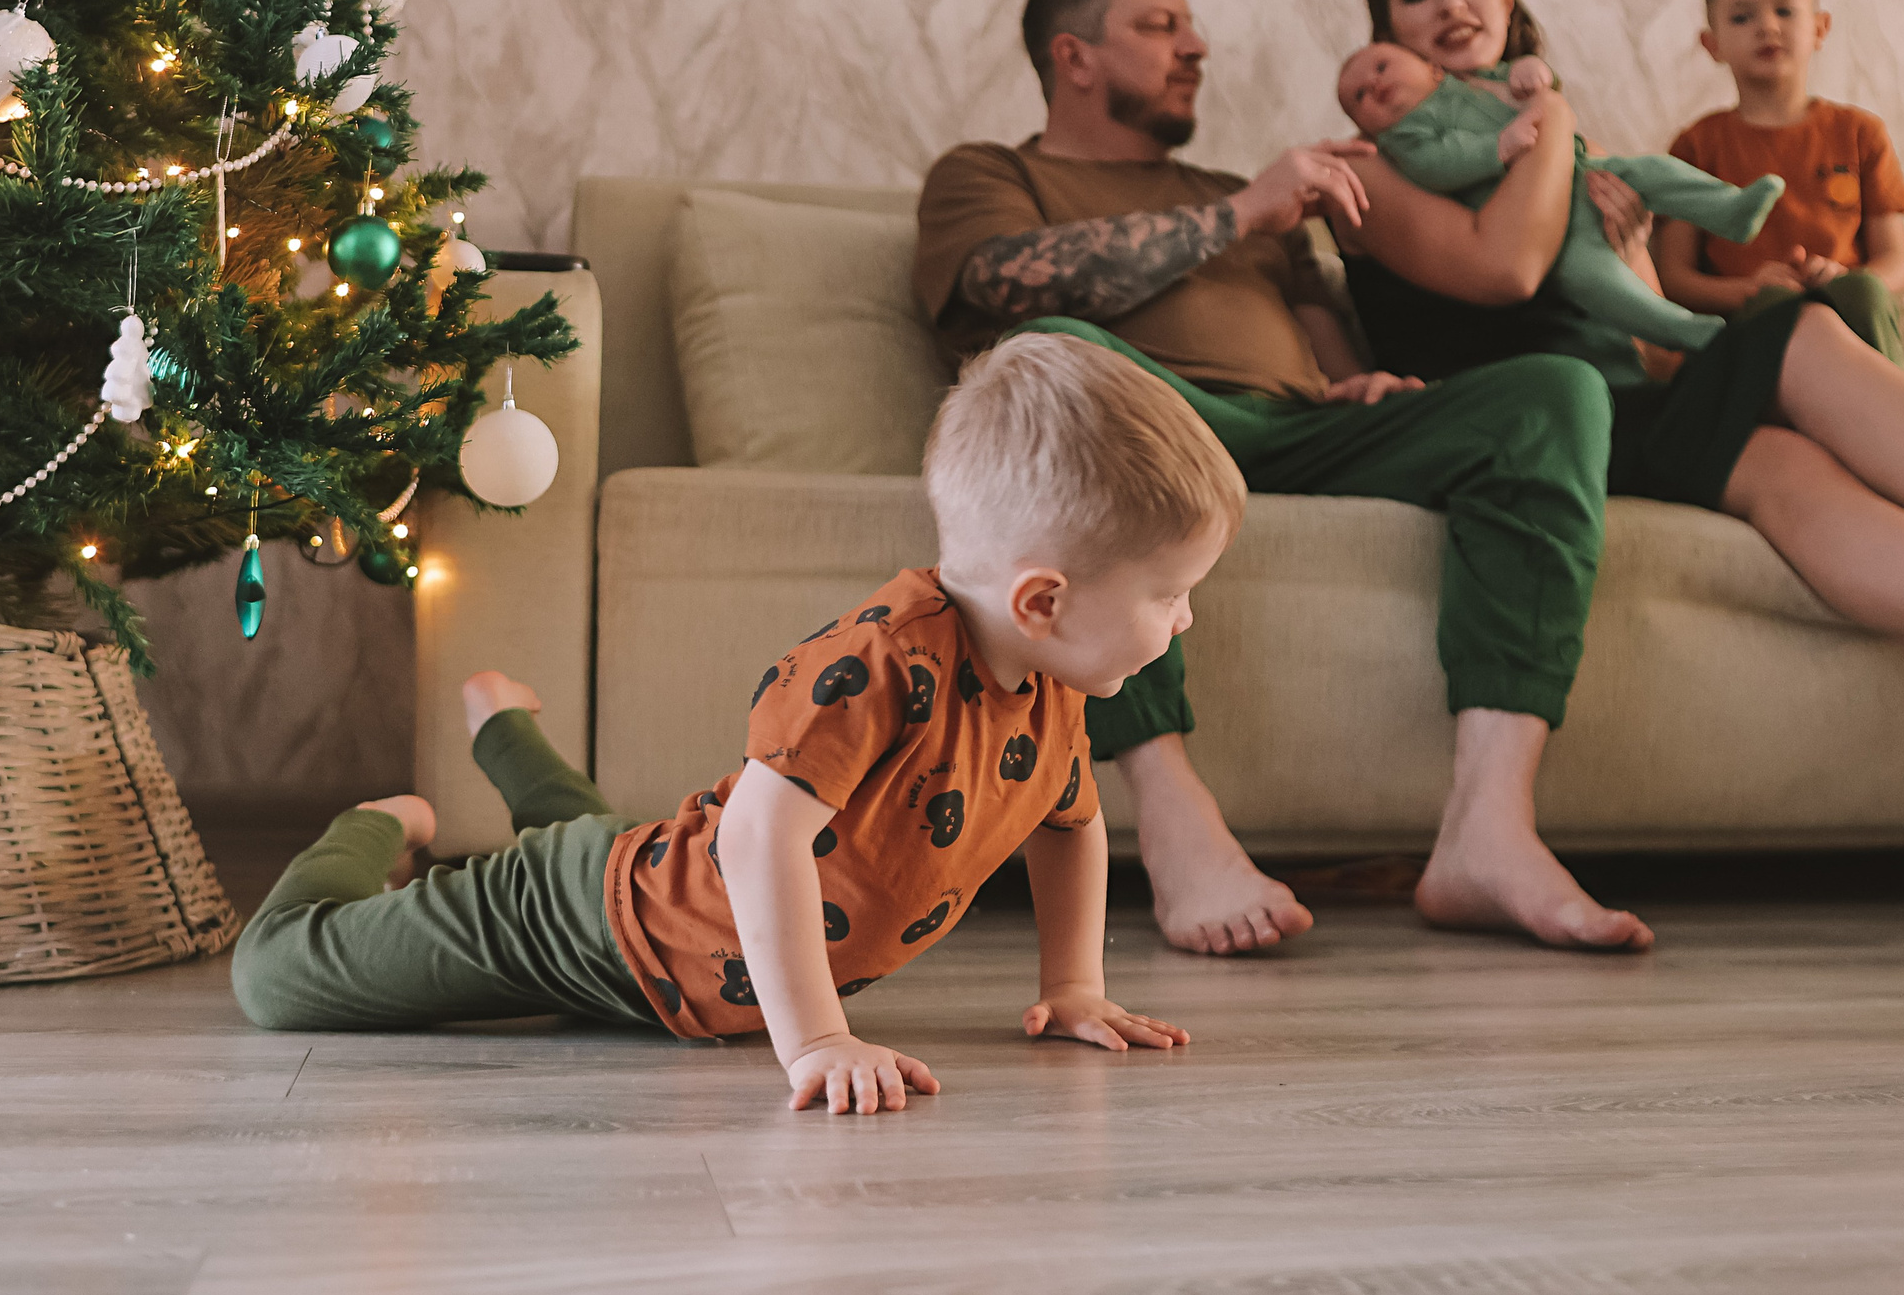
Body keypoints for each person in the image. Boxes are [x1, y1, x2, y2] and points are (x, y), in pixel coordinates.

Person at [233, 334, 1209, 1116]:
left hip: (664, 893)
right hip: (592, 932)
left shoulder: (1050, 685)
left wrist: (1073, 984)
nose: (1184, 620)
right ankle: (381, 818)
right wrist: (817, 1041)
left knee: (614, 841)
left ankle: (505, 728)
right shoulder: (874, 667)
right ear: (1041, 600)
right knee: (276, 980)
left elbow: (1070, 823)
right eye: (1168, 594)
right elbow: (752, 838)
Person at [915, 0, 1657, 958]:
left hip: (1296, 431)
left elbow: (1327, 345)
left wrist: (1358, 383)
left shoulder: (1243, 189)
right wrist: (1239, 214)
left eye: (1189, 26)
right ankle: (1174, 818)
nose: (1196, 46)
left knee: (1551, 392)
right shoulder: (989, 174)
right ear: (1073, 56)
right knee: (1054, 352)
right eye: (1159, 26)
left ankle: (1488, 830)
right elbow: (1005, 285)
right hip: (1139, 432)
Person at [1337, 0, 1904, 742]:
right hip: (1527, 425)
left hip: (1630, 406)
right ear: (1387, 33)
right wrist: (1551, 118)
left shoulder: (1551, 142)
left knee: (1789, 428)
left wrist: (1630, 246)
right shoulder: (1368, 167)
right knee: (1792, 350)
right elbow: (1507, 269)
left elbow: (1656, 353)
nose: (1449, 3)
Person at [1338, 39, 1781, 350]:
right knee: (1601, 284)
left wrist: (1534, 71)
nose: (1373, 85)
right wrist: (1497, 148)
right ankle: (1688, 330)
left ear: (1431, 67)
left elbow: (1527, 85)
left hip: (1588, 175)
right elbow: (1438, 163)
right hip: (1553, 236)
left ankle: (1729, 209)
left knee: (1653, 171)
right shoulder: (1403, 139)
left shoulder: (1475, 81)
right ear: (1367, 129)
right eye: (1358, 96)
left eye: (1381, 67)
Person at [1655, 0, 1904, 363]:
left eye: (1785, 11)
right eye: (1742, 17)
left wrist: (1841, 279)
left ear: (1820, 28)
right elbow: (1674, 277)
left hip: (1847, 309)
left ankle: (1885, 399)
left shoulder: (1861, 133)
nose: (1767, 27)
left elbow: (1896, 262)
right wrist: (1747, 289)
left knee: (1865, 292)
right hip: (1754, 321)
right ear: (1712, 44)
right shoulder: (1696, 147)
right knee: (1774, 306)